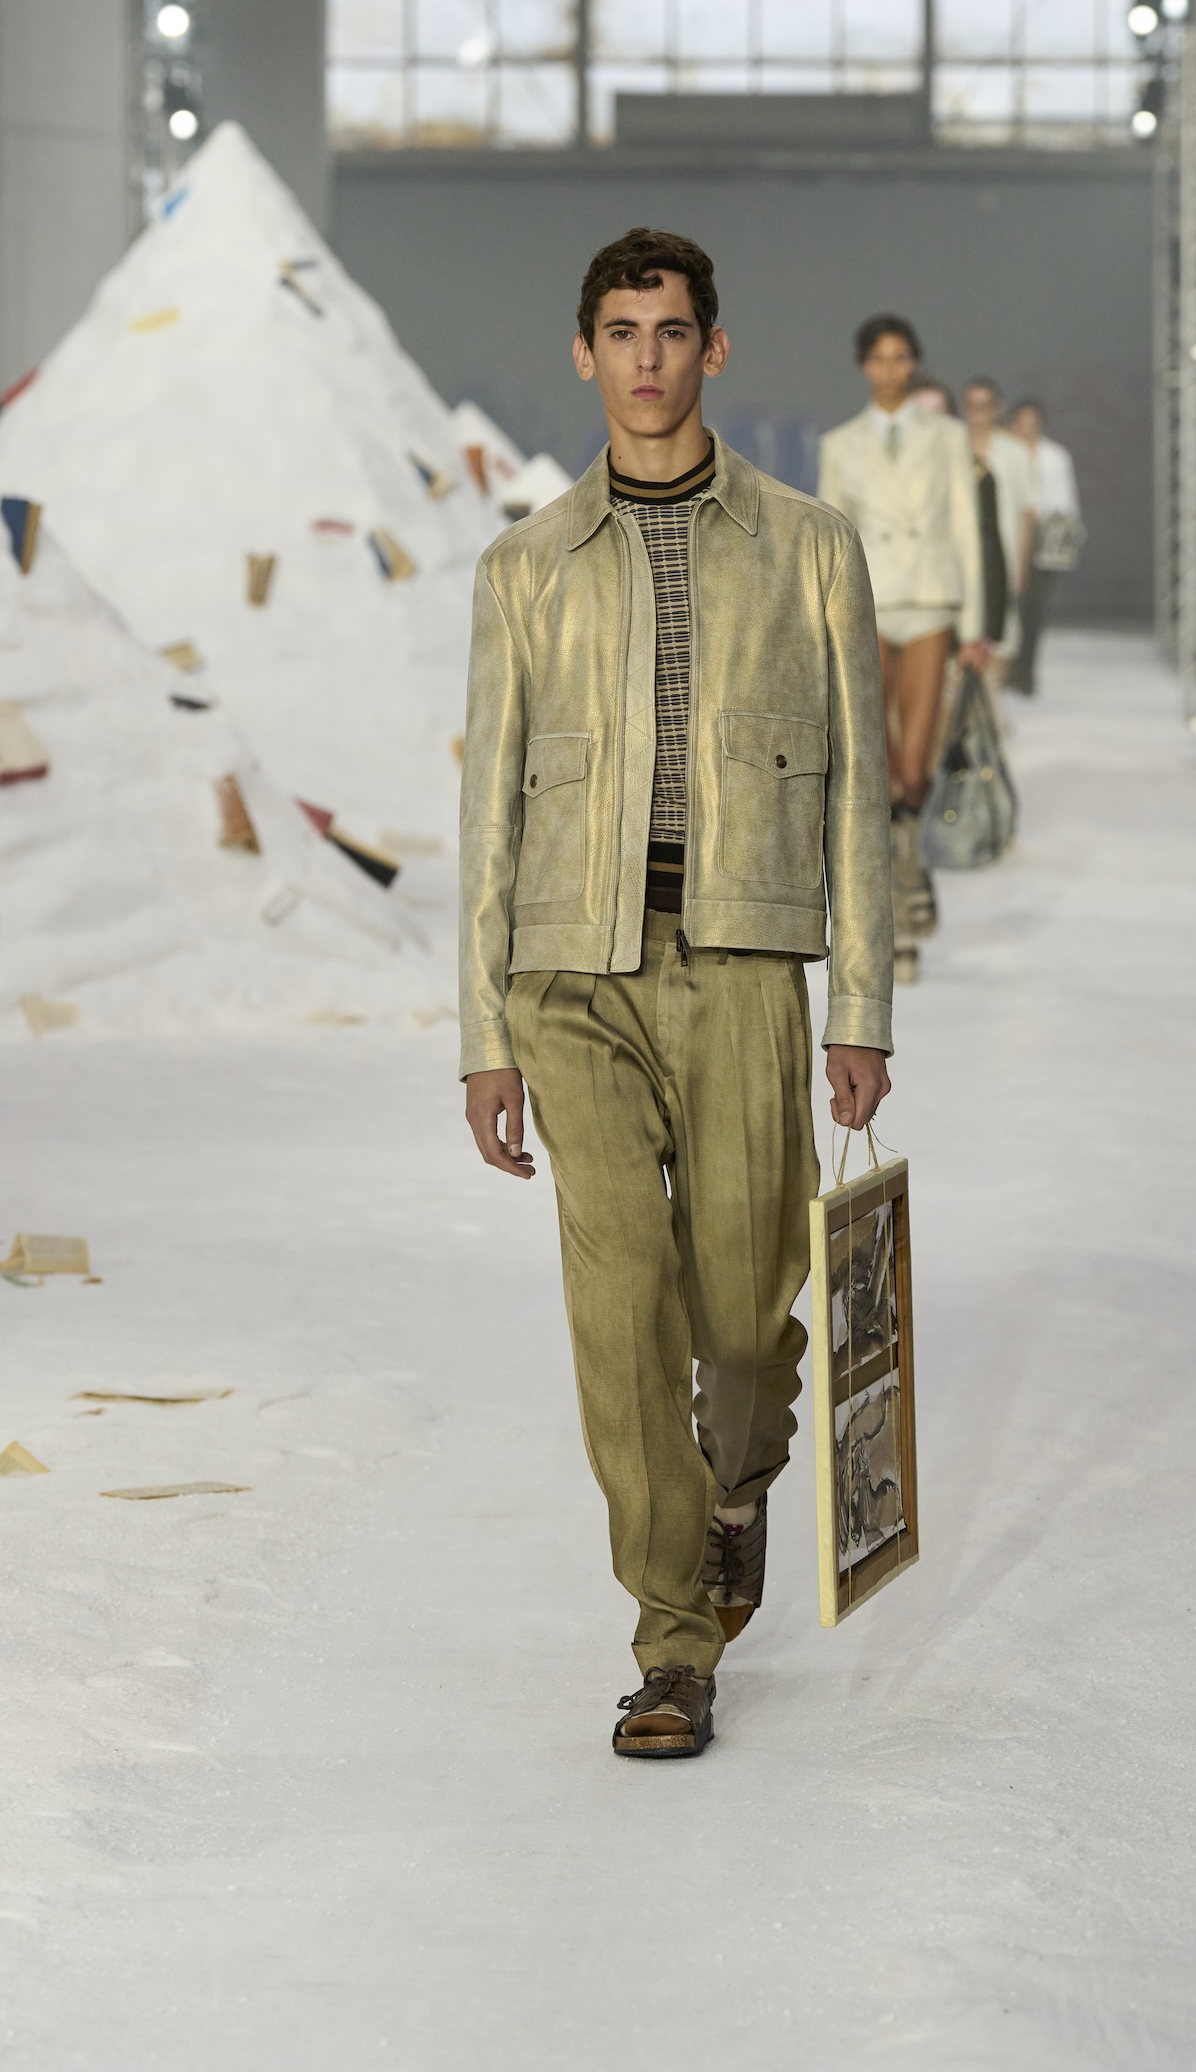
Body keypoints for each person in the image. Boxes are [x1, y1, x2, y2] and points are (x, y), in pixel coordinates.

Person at [459, 227, 893, 1760]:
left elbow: (861, 793)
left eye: (671, 331)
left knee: (742, 1322)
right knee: (621, 1305)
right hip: (570, 975)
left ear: (715, 348)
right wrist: (483, 1035)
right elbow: (489, 814)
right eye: (621, 331)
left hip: (743, 962)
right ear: (585, 353)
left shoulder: (810, 547)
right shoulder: (523, 566)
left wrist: (861, 1005)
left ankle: (737, 1479)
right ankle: (670, 1641)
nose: (646, 358)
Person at [818, 317, 984, 982]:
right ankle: (895, 912)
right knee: (877, 764)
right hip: (868, 604)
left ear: (914, 363)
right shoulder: (840, 444)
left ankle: (908, 870)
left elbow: (966, 527)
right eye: (879, 358)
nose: (890, 369)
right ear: (864, 366)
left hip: (930, 601)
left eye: (901, 357)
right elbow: (830, 535)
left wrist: (975, 624)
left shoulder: (946, 438)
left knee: (913, 766)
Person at [1006, 398, 1083, 696]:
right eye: (1021, 422)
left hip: (1044, 536)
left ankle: (1025, 672)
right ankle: (1008, 668)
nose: (1026, 429)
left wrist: (1061, 540)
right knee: (1008, 607)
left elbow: (1065, 500)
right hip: (1010, 533)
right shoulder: (1004, 453)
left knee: (1033, 609)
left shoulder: (1055, 456)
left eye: (1032, 423)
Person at [960, 378, 1035, 677]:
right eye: (972, 405)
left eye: (985, 405)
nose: (978, 412)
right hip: (958, 556)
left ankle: (992, 697)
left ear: (997, 408)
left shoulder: (1014, 452)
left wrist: (1022, 563)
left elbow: (1026, 511)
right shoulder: (950, 446)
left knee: (1002, 634)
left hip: (1003, 554)